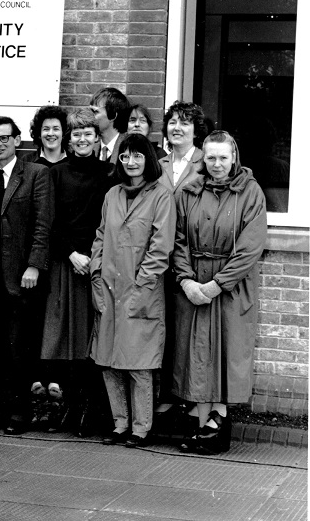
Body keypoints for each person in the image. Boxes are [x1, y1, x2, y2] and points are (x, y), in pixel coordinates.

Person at [172, 130, 267, 454]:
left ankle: (218, 422)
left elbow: (250, 246)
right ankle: (201, 422)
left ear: (234, 157)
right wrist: (186, 280)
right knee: (198, 353)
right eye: (210, 157)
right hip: (195, 282)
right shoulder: (189, 191)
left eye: (222, 158)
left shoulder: (250, 192)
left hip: (230, 287)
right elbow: (179, 239)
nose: (216, 164)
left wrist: (217, 285)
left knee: (224, 351)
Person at [89, 134, 176, 447]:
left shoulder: (161, 196)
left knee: (139, 364)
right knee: (108, 362)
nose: (131, 162)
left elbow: (161, 246)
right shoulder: (112, 194)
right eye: (125, 156)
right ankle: (120, 424)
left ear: (148, 160)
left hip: (142, 290)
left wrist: (143, 283)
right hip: (109, 288)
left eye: (137, 156)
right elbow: (101, 236)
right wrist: (96, 273)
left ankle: (142, 428)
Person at [0, 116, 51, 435]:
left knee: (18, 347)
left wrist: (34, 264)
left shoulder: (35, 174)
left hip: (19, 277)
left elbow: (44, 224)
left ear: (17, 140)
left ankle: (19, 411)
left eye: (5, 138)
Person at [39, 109, 115, 435]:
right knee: (65, 339)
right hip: (65, 263)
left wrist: (92, 257)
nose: (82, 139)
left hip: (98, 264)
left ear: (98, 139)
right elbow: (48, 221)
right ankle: (69, 405)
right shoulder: (55, 174)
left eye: (88, 133)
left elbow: (110, 221)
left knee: (92, 339)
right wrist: (71, 253)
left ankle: (91, 409)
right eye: (77, 134)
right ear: (69, 140)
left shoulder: (110, 174)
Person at [155, 100, 208, 417]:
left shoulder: (205, 163)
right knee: (163, 328)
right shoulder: (158, 164)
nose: (177, 127)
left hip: (191, 259)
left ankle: (188, 396)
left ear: (195, 130)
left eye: (184, 123)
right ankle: (166, 395)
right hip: (160, 258)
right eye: (172, 122)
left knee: (189, 331)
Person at [90, 87, 130, 166]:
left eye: (95, 112)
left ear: (112, 115)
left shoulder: (129, 147)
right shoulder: (90, 146)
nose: (90, 116)